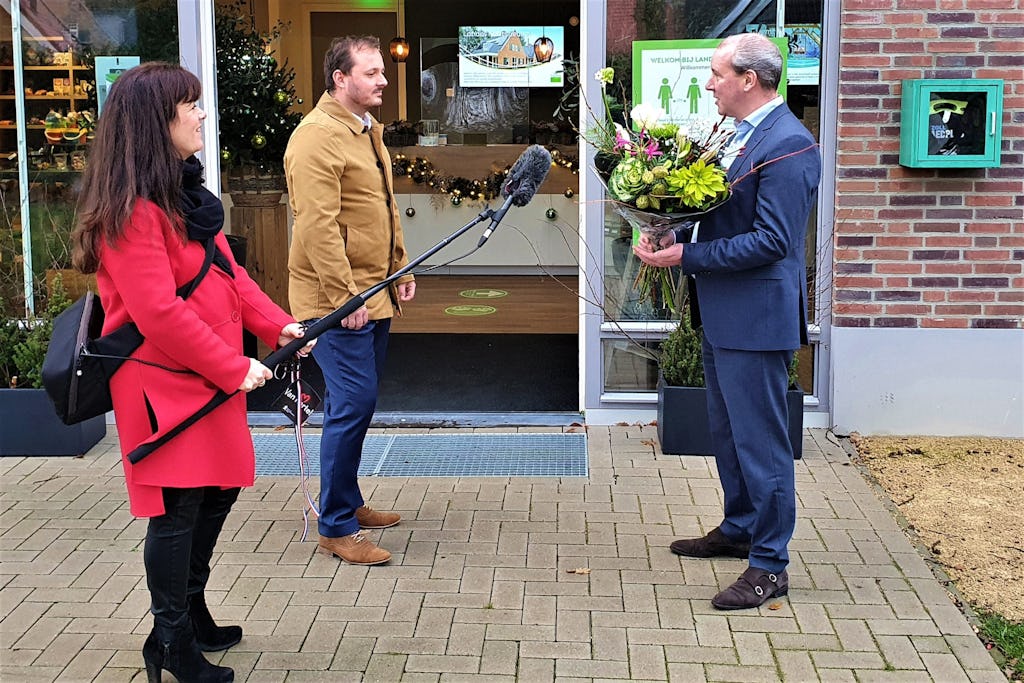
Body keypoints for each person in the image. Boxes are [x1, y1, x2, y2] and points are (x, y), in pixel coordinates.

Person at [71, 62, 312, 682]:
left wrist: (276, 325)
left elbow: (229, 275)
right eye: (190, 105)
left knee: (220, 487)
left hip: (206, 374)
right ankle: (170, 643)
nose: (201, 114)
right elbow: (156, 311)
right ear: (158, 121)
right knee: (176, 510)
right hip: (159, 379)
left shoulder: (187, 197)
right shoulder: (129, 212)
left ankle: (191, 607)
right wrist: (232, 365)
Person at [633, 33, 821, 610]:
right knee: (729, 434)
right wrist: (674, 230)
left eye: (716, 74)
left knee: (762, 444)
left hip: (755, 320)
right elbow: (721, 216)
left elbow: (772, 241)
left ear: (749, 80)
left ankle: (769, 566)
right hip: (722, 314)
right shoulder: (739, 136)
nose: (709, 83)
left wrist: (685, 257)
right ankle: (740, 527)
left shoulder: (789, 145)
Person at [284, 36, 415, 566]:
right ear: (339, 78)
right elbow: (316, 226)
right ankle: (335, 526)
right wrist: (343, 297)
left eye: (382, 71)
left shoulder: (365, 130)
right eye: (372, 72)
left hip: (372, 293)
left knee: (354, 404)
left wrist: (399, 267)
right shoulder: (315, 138)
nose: (383, 80)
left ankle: (349, 502)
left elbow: (379, 206)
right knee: (352, 405)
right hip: (337, 300)